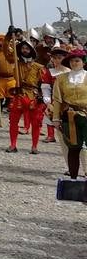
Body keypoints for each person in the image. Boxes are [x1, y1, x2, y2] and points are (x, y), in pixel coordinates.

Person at [5, 38, 51, 155]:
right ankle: (13, 145)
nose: (24, 50)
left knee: (36, 122)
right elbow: (7, 53)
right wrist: (8, 37)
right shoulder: (16, 63)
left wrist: (42, 96)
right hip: (19, 95)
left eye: (27, 48)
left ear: (31, 50)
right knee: (13, 121)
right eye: (22, 48)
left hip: (33, 96)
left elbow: (43, 83)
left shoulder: (38, 67)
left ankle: (34, 146)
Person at [51, 49, 87, 178]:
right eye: (72, 61)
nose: (74, 63)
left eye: (77, 61)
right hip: (69, 116)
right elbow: (57, 99)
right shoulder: (61, 78)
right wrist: (56, 118)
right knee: (73, 147)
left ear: (83, 62)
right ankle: (73, 179)